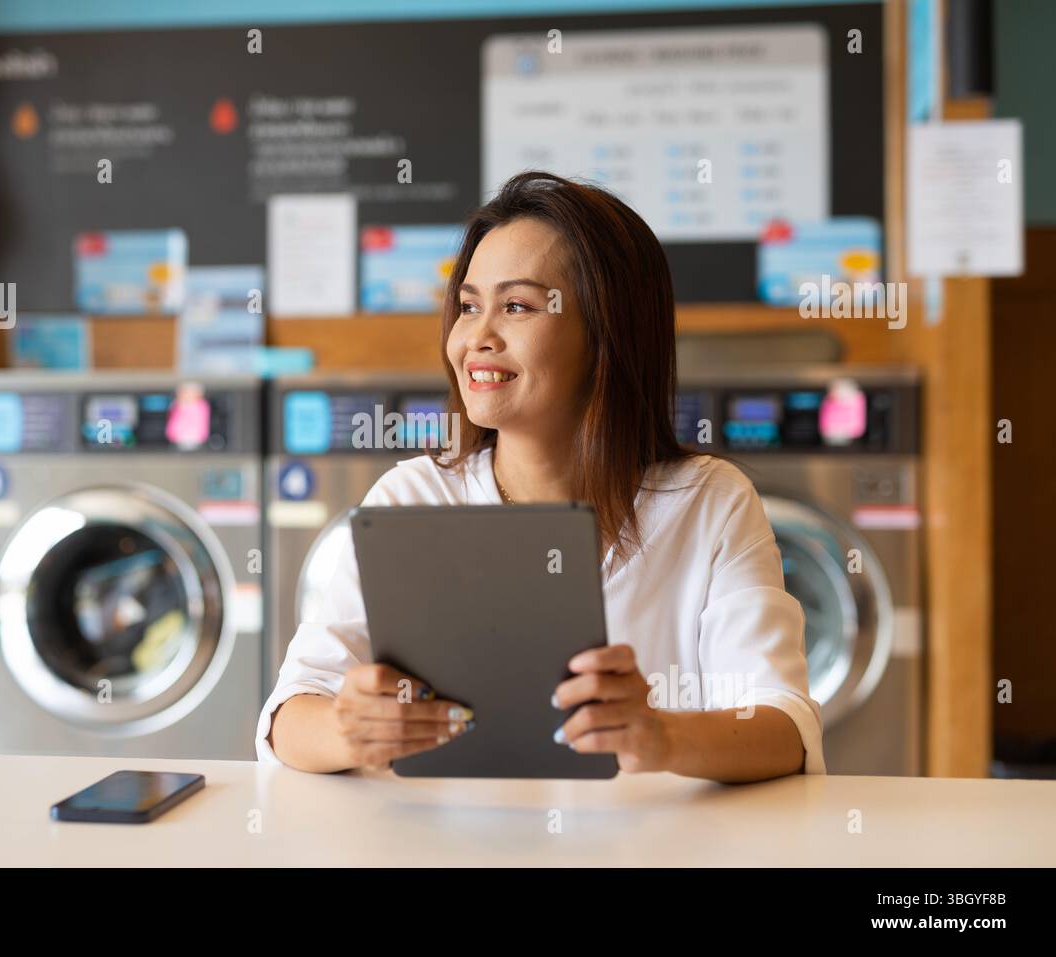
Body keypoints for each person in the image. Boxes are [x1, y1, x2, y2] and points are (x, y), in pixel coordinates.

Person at [257, 171, 824, 782]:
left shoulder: (709, 502)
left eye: (518, 306)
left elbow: (784, 730)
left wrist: (658, 735)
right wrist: (350, 728)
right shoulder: (412, 497)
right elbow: (288, 718)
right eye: (469, 306)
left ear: (609, 333)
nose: (476, 337)